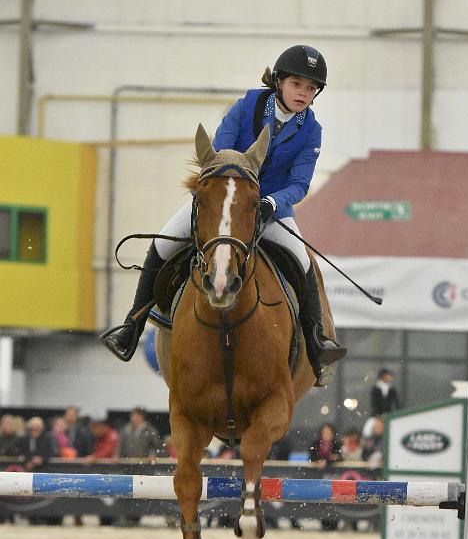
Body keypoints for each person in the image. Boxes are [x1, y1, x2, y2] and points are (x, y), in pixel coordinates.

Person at [100, 45, 346, 385]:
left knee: (303, 263)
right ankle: (131, 326)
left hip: (271, 209)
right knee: (161, 245)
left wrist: (272, 202)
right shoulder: (247, 106)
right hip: (222, 199)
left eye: (310, 88)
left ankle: (316, 345)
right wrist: (231, 193)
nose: (303, 93)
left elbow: (300, 183)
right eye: (296, 84)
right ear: (279, 81)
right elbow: (219, 151)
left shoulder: (311, 131)